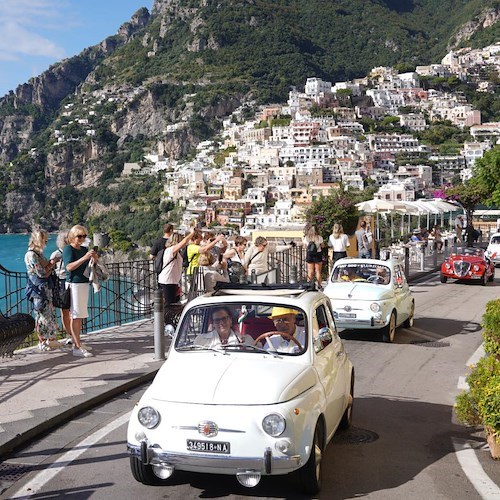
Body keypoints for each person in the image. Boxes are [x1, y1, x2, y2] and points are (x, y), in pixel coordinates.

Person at [63, 225, 98, 358]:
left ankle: (78, 343)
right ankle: (76, 347)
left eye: (84, 236)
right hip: (74, 285)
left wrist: (94, 258)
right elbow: (69, 267)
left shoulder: (83, 249)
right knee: (75, 315)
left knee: (81, 315)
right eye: (80, 236)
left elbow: (90, 266)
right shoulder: (68, 249)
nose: (82, 238)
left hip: (83, 284)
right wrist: (84, 258)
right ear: (73, 236)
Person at [24, 228, 61, 351]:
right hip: (39, 289)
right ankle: (42, 342)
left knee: (48, 314)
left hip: (44, 288)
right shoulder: (31, 255)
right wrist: (52, 263)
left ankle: (50, 340)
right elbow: (41, 273)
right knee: (41, 314)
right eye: (44, 240)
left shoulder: (37, 254)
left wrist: (50, 265)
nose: (46, 242)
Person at [158, 229, 194, 308]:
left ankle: (168, 319)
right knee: (169, 305)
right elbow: (184, 242)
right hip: (167, 281)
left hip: (172, 281)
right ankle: (166, 320)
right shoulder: (171, 250)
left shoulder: (175, 252)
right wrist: (192, 233)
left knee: (173, 304)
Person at [49, 230, 72, 345]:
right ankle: (69, 334)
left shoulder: (74, 252)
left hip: (73, 282)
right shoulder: (56, 254)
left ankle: (74, 333)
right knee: (65, 310)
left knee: (75, 310)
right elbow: (49, 270)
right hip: (62, 283)